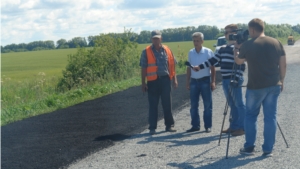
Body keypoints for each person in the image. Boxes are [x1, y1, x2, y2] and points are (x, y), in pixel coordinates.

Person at [234, 18, 286, 156]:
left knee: (251, 116)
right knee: (271, 117)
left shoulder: (247, 45)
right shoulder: (276, 42)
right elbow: (283, 64)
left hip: (255, 86)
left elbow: (239, 61)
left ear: (252, 29)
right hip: (274, 85)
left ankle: (249, 147)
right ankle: (268, 148)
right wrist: (282, 80)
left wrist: (236, 50)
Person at [193, 24, 246, 136]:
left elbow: (242, 65)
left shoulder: (240, 47)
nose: (226, 34)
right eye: (225, 32)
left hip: (235, 79)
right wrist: (200, 66)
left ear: (235, 33)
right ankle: (234, 126)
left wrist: (237, 77)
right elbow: (212, 60)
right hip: (225, 80)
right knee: (231, 104)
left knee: (239, 104)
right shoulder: (222, 49)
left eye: (228, 32)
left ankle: (243, 127)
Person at [140, 30, 178, 135]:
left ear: (161, 38)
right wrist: (143, 83)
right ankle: (152, 127)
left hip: (166, 80)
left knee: (167, 104)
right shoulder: (146, 51)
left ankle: (169, 125)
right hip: (152, 82)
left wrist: (174, 79)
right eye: (154, 38)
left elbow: (172, 66)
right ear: (151, 39)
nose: (155, 40)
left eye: (157, 38)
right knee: (153, 105)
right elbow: (143, 68)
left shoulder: (167, 49)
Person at [186, 32, 216, 133]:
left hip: (205, 80)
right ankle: (195, 125)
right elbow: (188, 68)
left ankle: (208, 126)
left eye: (198, 40)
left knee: (207, 105)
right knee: (193, 105)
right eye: (194, 41)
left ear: (202, 41)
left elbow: (213, 67)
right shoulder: (191, 52)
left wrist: (213, 81)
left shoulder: (208, 52)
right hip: (194, 81)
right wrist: (187, 81)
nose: (196, 42)